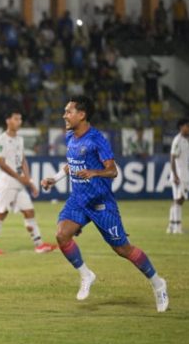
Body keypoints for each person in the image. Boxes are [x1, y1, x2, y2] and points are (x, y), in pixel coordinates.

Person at [40, 95, 169, 312]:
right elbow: (71, 164)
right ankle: (86, 275)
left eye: (69, 111)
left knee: (123, 249)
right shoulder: (71, 136)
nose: (64, 115)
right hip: (78, 200)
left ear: (82, 115)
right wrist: (55, 178)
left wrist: (94, 172)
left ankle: (158, 283)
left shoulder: (97, 139)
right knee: (62, 234)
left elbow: (113, 170)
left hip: (101, 203)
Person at [0, 110, 57, 255]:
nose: (19, 122)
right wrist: (19, 177)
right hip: (7, 183)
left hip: (19, 183)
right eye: (16, 119)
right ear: (8, 120)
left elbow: (23, 160)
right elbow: (2, 164)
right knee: (2, 213)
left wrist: (29, 181)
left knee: (29, 211)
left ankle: (39, 245)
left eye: (20, 119)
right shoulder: (1, 140)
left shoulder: (19, 139)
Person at [168, 118, 189, 234]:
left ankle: (171, 226)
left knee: (177, 200)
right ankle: (177, 227)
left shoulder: (184, 140)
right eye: (187, 126)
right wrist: (176, 175)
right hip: (180, 175)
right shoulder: (178, 140)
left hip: (182, 174)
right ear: (181, 127)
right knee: (180, 199)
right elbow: (172, 157)